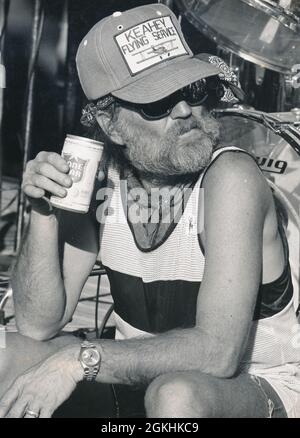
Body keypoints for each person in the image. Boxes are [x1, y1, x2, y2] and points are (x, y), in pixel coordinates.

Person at [0, 3, 300, 418]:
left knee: (176, 397)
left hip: (255, 385)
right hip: (141, 372)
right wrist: (42, 213)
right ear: (111, 126)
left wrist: (77, 360)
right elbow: (36, 325)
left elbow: (218, 353)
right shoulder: (100, 177)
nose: (183, 111)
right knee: (6, 356)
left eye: (191, 91)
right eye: (156, 103)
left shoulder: (230, 177)